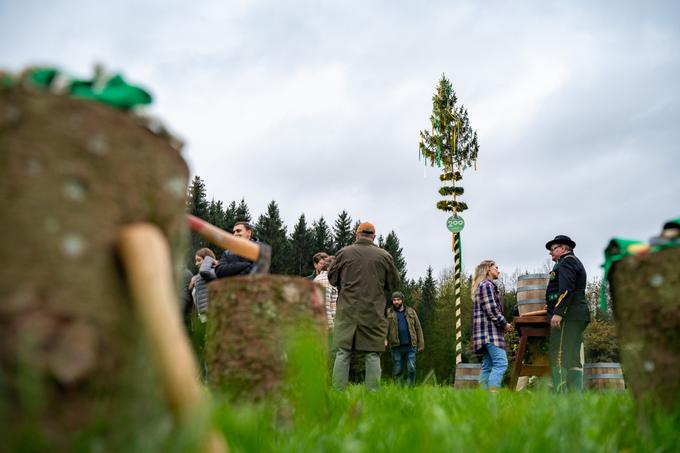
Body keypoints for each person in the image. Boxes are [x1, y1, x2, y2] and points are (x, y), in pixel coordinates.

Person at [328, 221, 400, 391]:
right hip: (373, 311)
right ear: (373, 236)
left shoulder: (343, 253)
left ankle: (338, 393)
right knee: (372, 354)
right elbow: (394, 284)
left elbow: (332, 278)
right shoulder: (384, 256)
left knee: (343, 352)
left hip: (347, 310)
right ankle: (373, 395)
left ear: (357, 235)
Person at [545, 235, 590, 392]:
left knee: (558, 352)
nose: (550, 253)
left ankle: (561, 395)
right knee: (572, 355)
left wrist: (558, 312)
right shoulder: (572, 261)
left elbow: (566, 289)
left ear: (563, 248)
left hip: (568, 315)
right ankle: (575, 397)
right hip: (577, 315)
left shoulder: (567, 261)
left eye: (553, 249)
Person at [471, 260, 513, 391]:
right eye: (496, 267)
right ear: (488, 269)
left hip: (484, 333)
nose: (498, 270)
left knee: (488, 365)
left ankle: (483, 400)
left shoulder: (482, 285)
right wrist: (504, 324)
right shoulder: (487, 285)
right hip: (490, 333)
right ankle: (492, 396)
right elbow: (492, 310)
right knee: (501, 363)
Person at [386, 291, 424, 386]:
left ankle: (410, 388)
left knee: (411, 368)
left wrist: (421, 344)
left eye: (398, 299)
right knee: (398, 370)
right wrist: (384, 339)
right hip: (396, 347)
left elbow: (418, 328)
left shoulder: (411, 311)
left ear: (402, 300)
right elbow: (383, 327)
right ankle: (399, 390)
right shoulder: (388, 312)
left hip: (411, 346)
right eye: (394, 300)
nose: (396, 302)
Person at [313, 256, 338, 329]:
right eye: (336, 268)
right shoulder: (324, 281)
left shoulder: (323, 278)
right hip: (325, 328)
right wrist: (330, 327)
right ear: (328, 268)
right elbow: (325, 307)